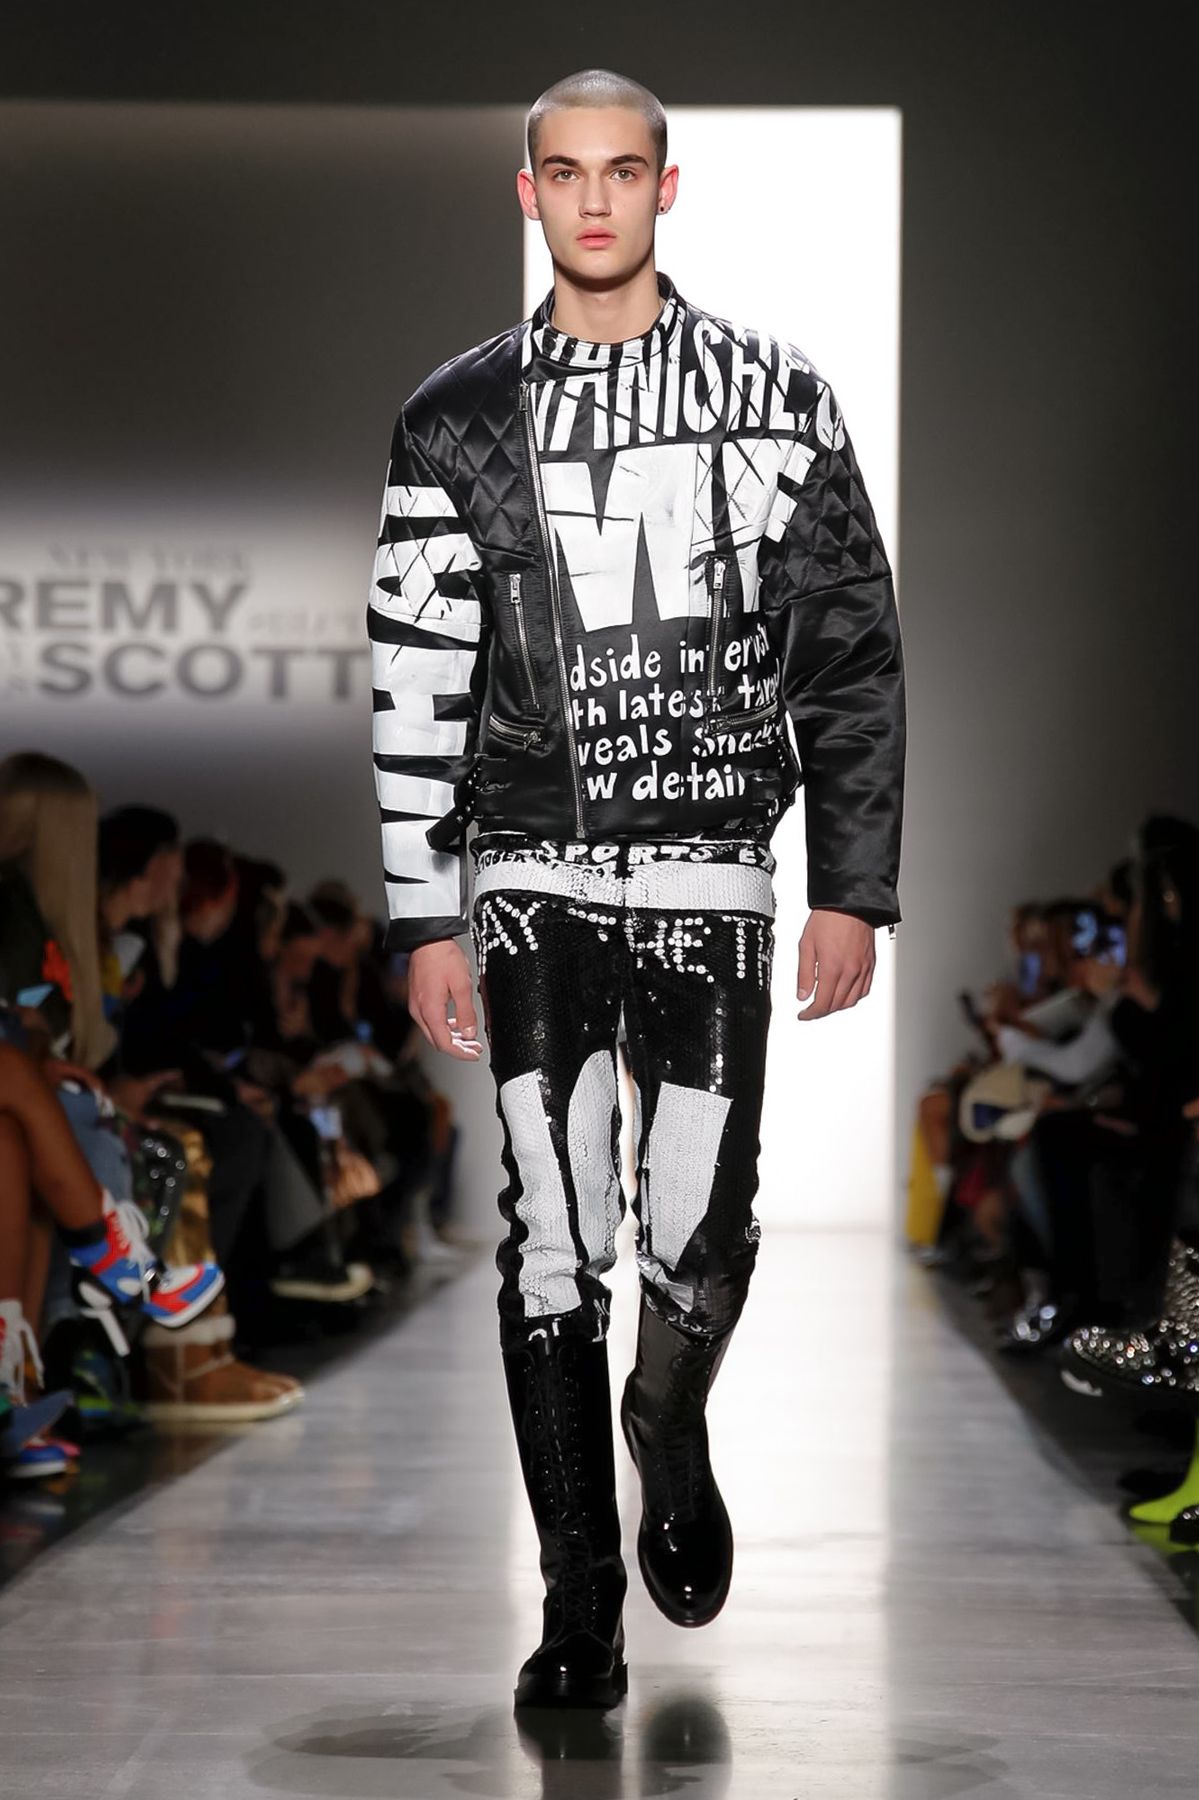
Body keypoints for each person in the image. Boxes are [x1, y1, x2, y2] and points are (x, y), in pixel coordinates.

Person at [365, 68, 906, 1710]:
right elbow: (416, 674)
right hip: (528, 870)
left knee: (704, 1233)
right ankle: (578, 1608)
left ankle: (666, 1418)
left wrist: (852, 885)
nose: (593, 198)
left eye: (622, 171)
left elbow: (850, 655)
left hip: (713, 870)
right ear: (527, 191)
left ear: (667, 189)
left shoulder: (780, 397)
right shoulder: (456, 417)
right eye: (564, 171)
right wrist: (423, 909)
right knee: (554, 1241)